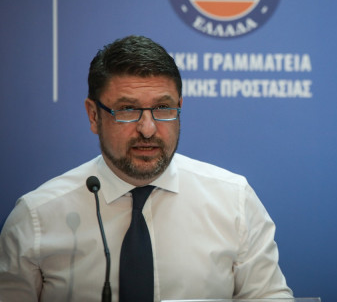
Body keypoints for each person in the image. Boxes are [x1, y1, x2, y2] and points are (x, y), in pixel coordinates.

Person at [0, 35, 293, 301]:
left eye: (163, 108)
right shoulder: (37, 217)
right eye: (128, 109)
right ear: (93, 116)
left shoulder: (233, 201)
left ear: (180, 106)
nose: (148, 129)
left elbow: (268, 296)